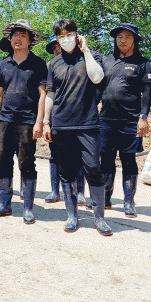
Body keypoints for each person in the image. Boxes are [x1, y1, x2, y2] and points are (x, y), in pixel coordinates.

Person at [43, 19, 110, 235]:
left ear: (77, 35)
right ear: (57, 39)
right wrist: (46, 122)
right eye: (61, 36)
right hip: (61, 124)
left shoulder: (92, 57)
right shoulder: (54, 63)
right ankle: (72, 216)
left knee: (94, 168)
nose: (66, 39)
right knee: (67, 172)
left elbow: (97, 77)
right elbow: (50, 94)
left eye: (69, 34)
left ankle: (99, 218)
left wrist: (86, 50)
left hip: (88, 124)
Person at [0, 20, 46, 224]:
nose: (18, 39)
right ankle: (4, 204)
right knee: (2, 161)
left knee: (26, 162)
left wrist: (39, 122)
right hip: (5, 120)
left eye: (22, 35)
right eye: (14, 35)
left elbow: (43, 95)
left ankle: (28, 207)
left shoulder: (38, 64)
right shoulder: (3, 64)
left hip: (27, 121)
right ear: (10, 40)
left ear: (30, 40)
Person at [100, 23, 151, 218]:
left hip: (130, 121)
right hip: (106, 120)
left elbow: (147, 93)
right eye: (119, 37)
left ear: (135, 41)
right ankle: (105, 198)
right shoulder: (106, 61)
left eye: (127, 37)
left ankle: (129, 201)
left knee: (128, 160)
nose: (122, 40)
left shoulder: (143, 63)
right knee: (106, 159)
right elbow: (97, 89)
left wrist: (143, 117)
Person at [43, 34, 62, 204]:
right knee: (55, 153)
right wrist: (45, 121)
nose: (57, 50)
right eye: (54, 48)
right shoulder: (50, 66)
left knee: (77, 155)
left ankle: (79, 192)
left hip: (77, 116)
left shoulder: (80, 62)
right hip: (55, 114)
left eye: (59, 46)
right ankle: (55, 190)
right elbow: (47, 94)